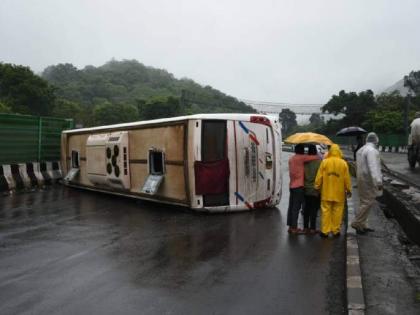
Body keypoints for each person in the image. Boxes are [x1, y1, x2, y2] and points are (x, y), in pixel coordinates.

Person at [315, 144, 352, 238]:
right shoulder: (343, 163)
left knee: (325, 212)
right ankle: (335, 231)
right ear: (339, 151)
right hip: (339, 194)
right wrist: (349, 190)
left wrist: (317, 187)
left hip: (326, 192)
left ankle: (325, 231)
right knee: (338, 212)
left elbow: (319, 177)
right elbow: (347, 179)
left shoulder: (325, 162)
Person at [351, 132, 383, 234]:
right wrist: (378, 181)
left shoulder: (361, 150)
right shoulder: (372, 151)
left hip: (361, 178)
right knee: (368, 202)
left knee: (363, 201)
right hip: (368, 180)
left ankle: (363, 224)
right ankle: (357, 222)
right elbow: (373, 166)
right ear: (376, 140)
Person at [287, 143, 320, 234]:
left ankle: (290, 226)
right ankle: (294, 228)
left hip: (292, 185)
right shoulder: (301, 158)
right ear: (301, 151)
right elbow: (314, 157)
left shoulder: (291, 159)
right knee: (297, 208)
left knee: (291, 207)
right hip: (299, 186)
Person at [303, 144, 321, 234]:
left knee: (306, 209)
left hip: (306, 188)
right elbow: (320, 176)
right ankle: (313, 228)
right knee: (314, 209)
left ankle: (305, 227)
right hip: (315, 189)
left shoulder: (305, 161)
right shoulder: (319, 162)